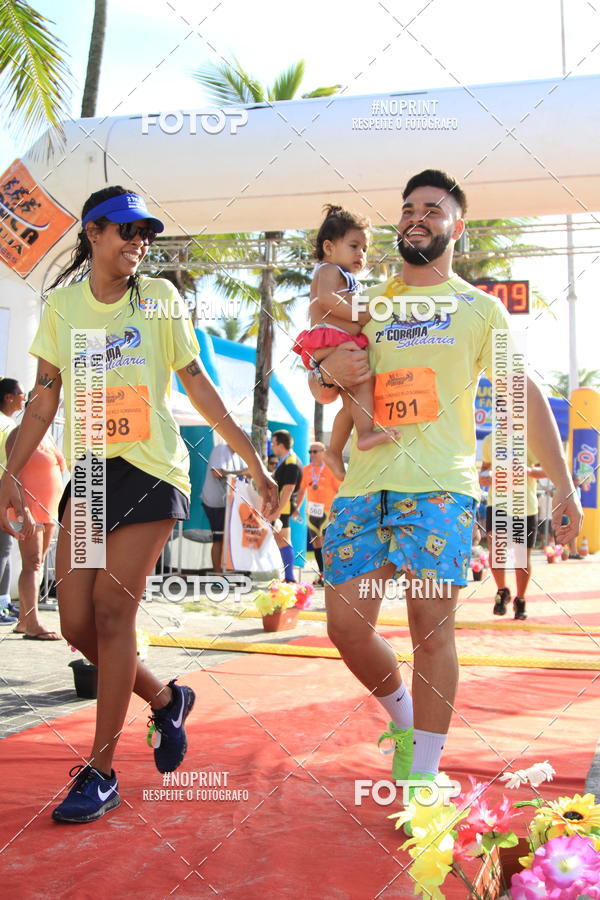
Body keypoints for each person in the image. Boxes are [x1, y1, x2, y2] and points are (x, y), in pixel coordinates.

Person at [0, 186, 278, 825]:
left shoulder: (159, 300)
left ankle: (100, 772)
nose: (137, 242)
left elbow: (197, 383)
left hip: (153, 469)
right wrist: (8, 475)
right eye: (124, 230)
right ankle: (164, 697)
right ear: (93, 233)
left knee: (111, 610)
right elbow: (44, 400)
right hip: (93, 476)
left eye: (144, 232)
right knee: (74, 623)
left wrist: (254, 461)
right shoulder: (63, 307)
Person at [308, 169, 582, 792]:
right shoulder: (367, 305)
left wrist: (563, 486)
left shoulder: (477, 307)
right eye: (407, 207)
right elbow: (326, 383)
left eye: (432, 208)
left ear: (457, 225)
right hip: (363, 489)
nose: (416, 216)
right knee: (345, 628)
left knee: (430, 632)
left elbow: (523, 391)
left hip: (441, 489)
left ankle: (423, 780)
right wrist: (325, 371)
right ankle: (406, 720)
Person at [293, 205, 399, 479]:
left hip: (341, 343)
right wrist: (364, 313)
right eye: (354, 246)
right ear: (329, 247)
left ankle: (335, 450)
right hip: (329, 340)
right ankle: (363, 435)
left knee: (351, 404)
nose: (360, 254)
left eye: (364, 249)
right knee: (361, 384)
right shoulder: (327, 270)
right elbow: (328, 299)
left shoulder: (349, 280)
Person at [7, 415, 66, 639]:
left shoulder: (48, 436)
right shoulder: (18, 434)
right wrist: (24, 512)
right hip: (29, 511)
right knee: (32, 564)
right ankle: (32, 622)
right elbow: (13, 475)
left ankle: (24, 620)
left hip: (48, 510)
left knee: (37, 565)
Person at [480, 432, 545, 619]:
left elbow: (548, 470)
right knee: (496, 553)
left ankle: (520, 599)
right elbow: (484, 470)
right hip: (497, 504)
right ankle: (502, 592)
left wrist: (528, 471)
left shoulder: (532, 439)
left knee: (521, 558)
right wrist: (485, 476)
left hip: (524, 506)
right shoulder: (489, 440)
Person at [293, 442, 341, 586]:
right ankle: (322, 574)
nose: (312, 454)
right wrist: (296, 508)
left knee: (328, 543)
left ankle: (332, 574)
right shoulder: (306, 470)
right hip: (312, 512)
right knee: (316, 543)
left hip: (328, 511)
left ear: (323, 452)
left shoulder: (330, 470)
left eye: (315, 451)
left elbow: (339, 491)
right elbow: (301, 491)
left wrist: (339, 510)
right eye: (310, 452)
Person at [201, 439, 249, 572]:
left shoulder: (238, 455)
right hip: (215, 502)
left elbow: (246, 473)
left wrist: (245, 475)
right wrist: (242, 473)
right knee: (219, 538)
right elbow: (216, 473)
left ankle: (225, 570)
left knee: (228, 538)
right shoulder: (221, 449)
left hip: (229, 503)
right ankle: (217, 574)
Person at [0, 378, 26, 625]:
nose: (24, 397)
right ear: (9, 397)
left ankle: (4, 602)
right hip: (4, 493)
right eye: (21, 393)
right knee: (3, 550)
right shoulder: (7, 426)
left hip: (6, 493)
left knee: (5, 549)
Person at [270, 430, 303, 582]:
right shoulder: (286, 460)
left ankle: (290, 577)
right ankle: (288, 576)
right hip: (284, 505)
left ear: (281, 444)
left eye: (273, 443)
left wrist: (276, 513)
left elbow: (289, 489)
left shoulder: (291, 461)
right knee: (281, 539)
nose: (271, 446)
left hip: (284, 506)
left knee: (283, 539)